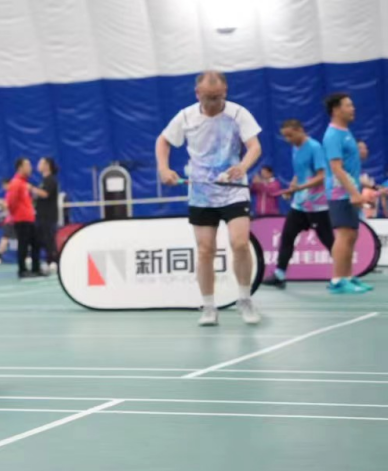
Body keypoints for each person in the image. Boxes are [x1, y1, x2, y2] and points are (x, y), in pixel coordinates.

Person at [156, 70, 262, 325]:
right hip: (201, 193)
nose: (213, 102)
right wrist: (164, 168)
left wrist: (243, 166)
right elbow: (163, 141)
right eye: (207, 97)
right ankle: (208, 306)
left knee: (240, 243)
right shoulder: (186, 116)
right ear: (197, 94)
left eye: (217, 97)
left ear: (225, 92)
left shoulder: (238, 114)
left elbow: (254, 146)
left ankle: (244, 300)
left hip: (233, 188)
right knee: (205, 250)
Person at [272, 119, 335, 290]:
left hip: (317, 206)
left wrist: (301, 187)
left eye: (290, 135)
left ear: (300, 130)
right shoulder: (295, 148)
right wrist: (292, 187)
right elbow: (299, 173)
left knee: (329, 241)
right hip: (299, 205)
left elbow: (322, 176)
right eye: (285, 137)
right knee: (287, 237)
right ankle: (279, 275)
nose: (288, 140)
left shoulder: (315, 147)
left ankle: (343, 275)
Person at [323, 94, 373, 294]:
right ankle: (337, 280)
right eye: (348, 105)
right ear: (336, 110)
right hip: (340, 193)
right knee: (344, 235)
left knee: (351, 235)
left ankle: (348, 277)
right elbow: (336, 168)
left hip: (350, 191)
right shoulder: (333, 135)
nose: (353, 109)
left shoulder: (345, 132)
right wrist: (353, 193)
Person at [7, 159, 38, 277]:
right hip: (22, 219)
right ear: (20, 167)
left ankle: (35, 268)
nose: (30, 168)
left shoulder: (24, 183)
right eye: (27, 165)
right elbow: (11, 202)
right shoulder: (16, 183)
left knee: (36, 243)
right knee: (23, 245)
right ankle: (22, 270)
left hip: (29, 219)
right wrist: (16, 215)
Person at [32, 157, 60, 273]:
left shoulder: (51, 180)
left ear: (47, 165)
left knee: (49, 239)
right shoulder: (42, 181)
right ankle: (47, 261)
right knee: (41, 239)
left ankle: (53, 261)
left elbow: (45, 194)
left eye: (41, 163)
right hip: (40, 215)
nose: (38, 165)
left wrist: (31, 188)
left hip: (49, 216)